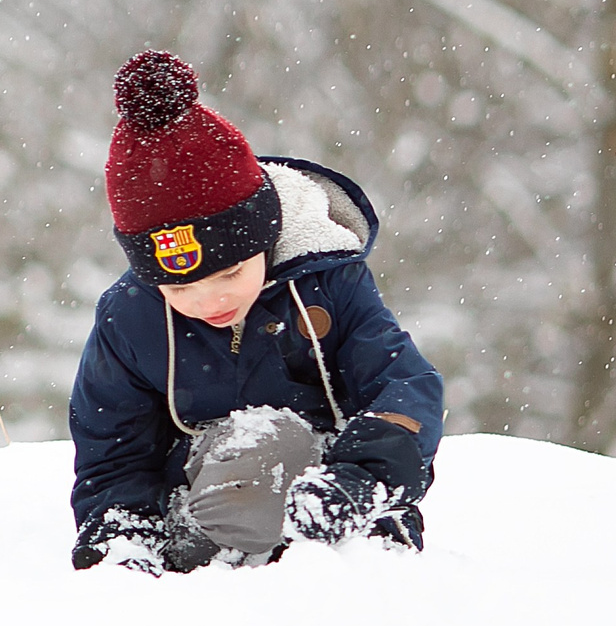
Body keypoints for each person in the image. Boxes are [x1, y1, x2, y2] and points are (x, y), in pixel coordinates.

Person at [70, 50, 444, 572]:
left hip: (340, 498)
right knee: (264, 450)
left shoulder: (329, 282)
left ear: (265, 242)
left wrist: (365, 477)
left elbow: (403, 387)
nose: (210, 301)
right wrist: (121, 540)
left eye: (229, 274)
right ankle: (230, 574)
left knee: (288, 446)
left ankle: (342, 560)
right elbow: (113, 454)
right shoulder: (129, 318)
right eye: (180, 289)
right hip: (202, 510)